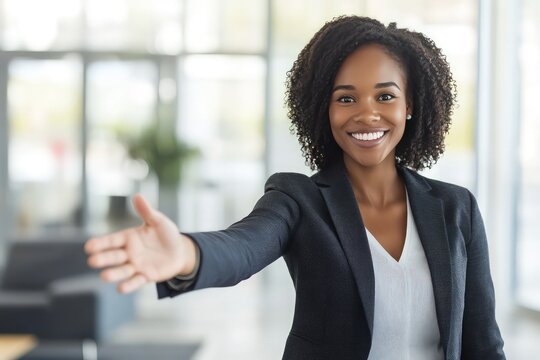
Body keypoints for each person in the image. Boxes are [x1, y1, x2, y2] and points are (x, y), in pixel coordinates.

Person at [85, 15, 506, 359]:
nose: (366, 114)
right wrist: (187, 254)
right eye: (346, 99)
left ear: (409, 105)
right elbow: (243, 246)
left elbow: (484, 343)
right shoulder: (299, 200)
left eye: (384, 97)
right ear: (323, 109)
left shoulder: (456, 208)